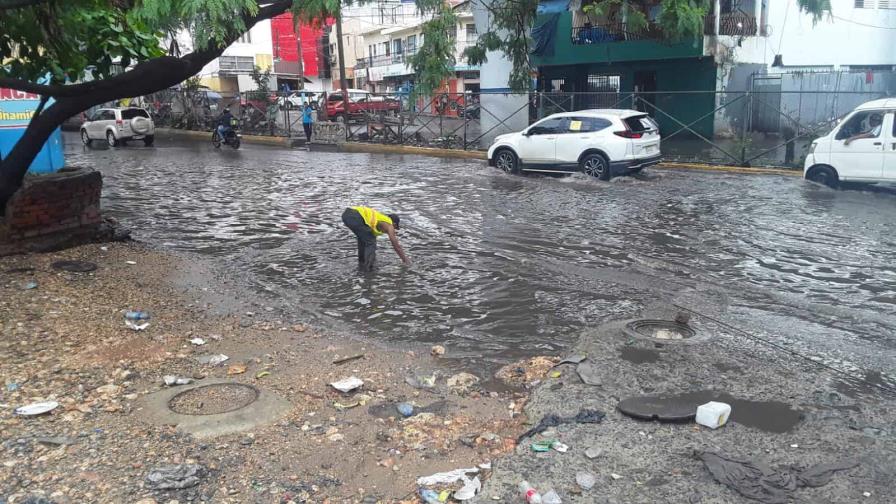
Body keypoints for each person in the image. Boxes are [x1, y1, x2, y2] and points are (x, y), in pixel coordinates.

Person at [341, 206, 410, 271]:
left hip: (347, 214)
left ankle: (361, 264)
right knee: (371, 241)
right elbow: (396, 246)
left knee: (363, 240)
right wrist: (405, 260)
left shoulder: (379, 218)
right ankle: (368, 269)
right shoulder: (390, 225)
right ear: (394, 224)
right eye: (395, 228)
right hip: (355, 216)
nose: (393, 231)